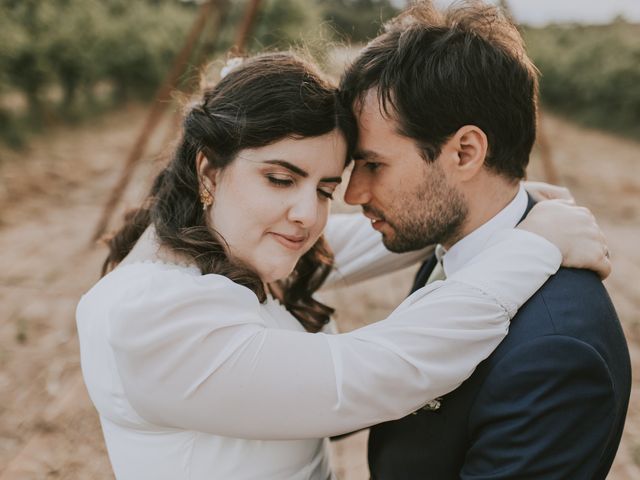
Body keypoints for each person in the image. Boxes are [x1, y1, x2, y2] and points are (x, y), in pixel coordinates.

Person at [77, 52, 609, 480]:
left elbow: (376, 239)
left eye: (326, 188)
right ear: (208, 168)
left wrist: (496, 209)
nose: (309, 214)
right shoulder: (151, 315)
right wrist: (532, 245)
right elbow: (374, 373)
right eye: (282, 180)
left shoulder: (223, 240)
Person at [339, 1, 631, 479]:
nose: (353, 193)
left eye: (373, 165)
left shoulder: (556, 353)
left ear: (466, 152)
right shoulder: (453, 247)